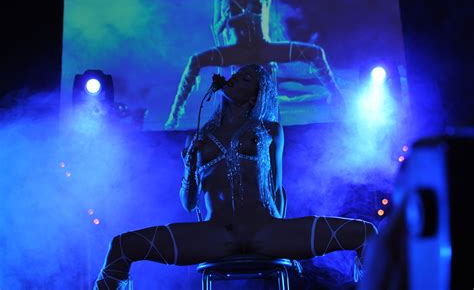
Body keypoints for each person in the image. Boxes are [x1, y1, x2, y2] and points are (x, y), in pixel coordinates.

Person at [95, 64, 376, 289]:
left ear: (256, 94)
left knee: (366, 233)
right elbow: (189, 203)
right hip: (215, 235)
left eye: (245, 79)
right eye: (236, 75)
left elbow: (277, 190)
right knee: (122, 246)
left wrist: (287, 242)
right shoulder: (197, 137)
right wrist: (189, 169)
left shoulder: (271, 129)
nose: (235, 79)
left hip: (267, 231)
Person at [165, 0, 344, 129]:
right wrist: (229, 18)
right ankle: (175, 114)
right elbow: (218, 29)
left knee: (315, 52)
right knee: (195, 61)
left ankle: (336, 97)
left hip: (263, 48)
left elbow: (265, 26)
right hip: (237, 50)